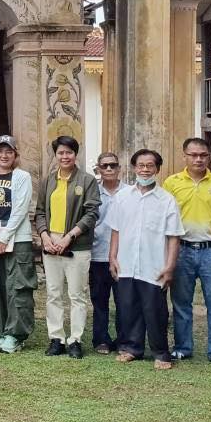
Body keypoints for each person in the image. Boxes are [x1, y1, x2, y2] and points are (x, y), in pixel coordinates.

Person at [163, 136, 211, 369]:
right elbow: (164, 220)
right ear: (184, 155)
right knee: (181, 303)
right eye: (193, 155)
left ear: (209, 156)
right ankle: (183, 348)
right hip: (182, 250)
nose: (198, 159)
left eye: (203, 155)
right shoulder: (171, 183)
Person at [109, 149, 184, 370]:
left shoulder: (167, 200)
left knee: (155, 310)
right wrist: (112, 257)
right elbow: (116, 230)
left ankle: (161, 352)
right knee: (128, 307)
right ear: (134, 168)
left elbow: (173, 237)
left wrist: (170, 267)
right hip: (126, 263)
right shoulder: (122, 197)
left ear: (157, 169)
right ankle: (132, 348)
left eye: (150, 165)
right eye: (140, 165)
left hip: (154, 265)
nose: (145, 169)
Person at [33, 135, 101, 359]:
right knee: (53, 293)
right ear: (55, 155)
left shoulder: (87, 180)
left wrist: (69, 237)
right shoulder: (48, 180)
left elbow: (92, 213)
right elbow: (40, 211)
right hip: (50, 243)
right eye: (60, 152)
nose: (65, 156)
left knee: (76, 294)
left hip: (76, 244)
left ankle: (75, 340)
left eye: (69, 152)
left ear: (76, 154)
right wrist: (44, 236)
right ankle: (57, 338)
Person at [0, 135, 35, 354]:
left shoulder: (22, 177)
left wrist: (4, 238)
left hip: (16, 240)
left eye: (9, 151)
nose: (4, 155)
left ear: (15, 155)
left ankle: (16, 335)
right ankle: (2, 331)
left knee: (17, 287)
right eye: (0, 151)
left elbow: (20, 210)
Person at [89, 150, 132, 355]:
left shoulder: (130, 193)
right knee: (99, 300)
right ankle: (101, 340)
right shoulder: (93, 192)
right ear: (98, 169)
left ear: (119, 168)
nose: (108, 169)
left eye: (112, 165)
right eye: (104, 166)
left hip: (124, 256)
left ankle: (124, 340)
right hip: (98, 253)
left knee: (124, 301)